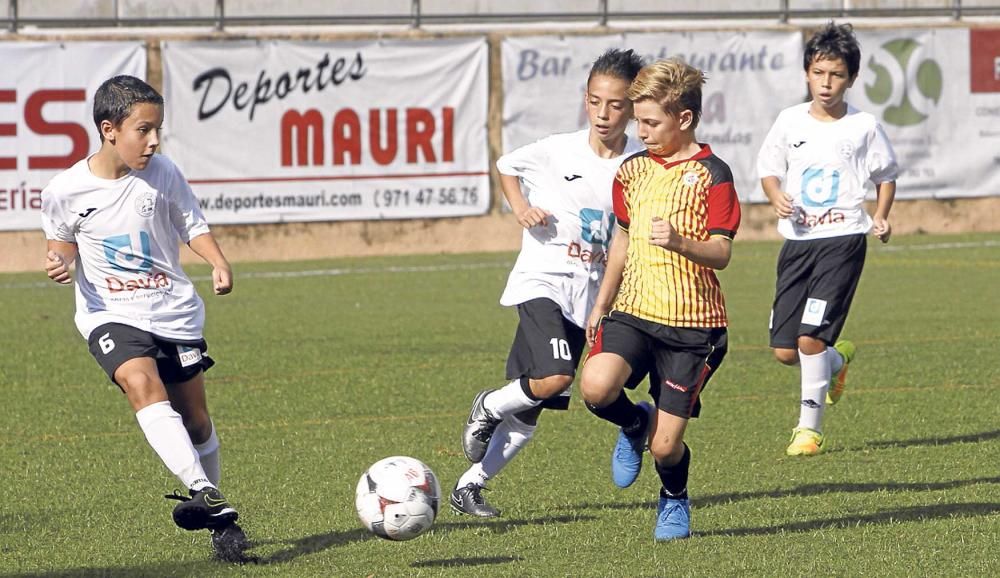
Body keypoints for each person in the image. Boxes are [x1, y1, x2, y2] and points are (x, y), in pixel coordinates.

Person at [40, 75, 251, 562]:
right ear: (109, 129)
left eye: (158, 130)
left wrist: (217, 261)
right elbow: (61, 247)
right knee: (141, 384)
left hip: (172, 310)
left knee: (196, 421)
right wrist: (59, 263)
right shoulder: (64, 190)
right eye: (144, 130)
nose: (154, 141)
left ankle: (214, 516)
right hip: (109, 314)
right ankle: (210, 499)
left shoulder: (164, 173)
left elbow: (191, 224)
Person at [456, 48, 646, 517]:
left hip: (590, 296)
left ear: (634, 107)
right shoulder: (557, 150)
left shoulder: (639, 165)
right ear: (585, 99)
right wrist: (520, 209)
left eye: (616, 104)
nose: (603, 114)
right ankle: (487, 406)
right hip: (543, 279)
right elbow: (506, 166)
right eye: (595, 101)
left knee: (537, 398)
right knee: (558, 377)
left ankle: (469, 487)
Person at [579, 57, 741, 541]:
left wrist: (680, 242)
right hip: (634, 310)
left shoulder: (713, 173)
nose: (640, 130)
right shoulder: (631, 172)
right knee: (595, 388)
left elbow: (722, 253)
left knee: (667, 448)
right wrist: (601, 304)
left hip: (693, 327)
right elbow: (622, 242)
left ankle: (673, 497)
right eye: (638, 121)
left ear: (684, 119)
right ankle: (633, 422)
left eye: (650, 122)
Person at [756, 22, 898, 457]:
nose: (826, 83)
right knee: (784, 350)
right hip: (798, 243)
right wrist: (776, 196)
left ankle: (809, 429)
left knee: (810, 339)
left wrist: (882, 215)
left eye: (836, 75)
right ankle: (836, 363)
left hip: (842, 241)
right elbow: (769, 169)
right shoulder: (789, 121)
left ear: (851, 79)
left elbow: (885, 175)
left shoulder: (864, 126)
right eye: (819, 73)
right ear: (806, 74)